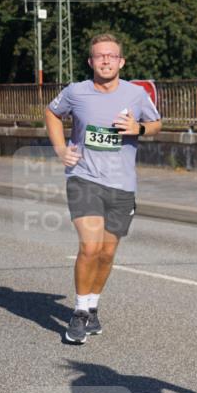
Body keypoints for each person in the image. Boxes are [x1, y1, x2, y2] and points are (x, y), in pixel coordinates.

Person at [45, 33, 162, 345]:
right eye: (100, 56)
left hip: (122, 184)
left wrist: (139, 128)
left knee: (107, 252)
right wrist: (60, 148)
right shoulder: (76, 92)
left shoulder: (136, 94)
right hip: (83, 178)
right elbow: (52, 113)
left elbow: (157, 123)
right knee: (90, 247)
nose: (106, 60)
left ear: (121, 61)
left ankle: (93, 306)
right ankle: (80, 311)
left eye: (112, 56)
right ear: (91, 62)